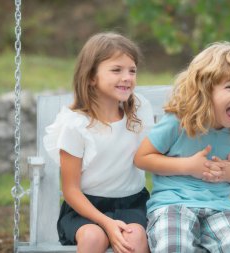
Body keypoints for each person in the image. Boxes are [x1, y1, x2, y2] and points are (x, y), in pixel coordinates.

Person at [134, 41, 230, 253]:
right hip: (173, 205)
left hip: (220, 208)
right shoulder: (178, 123)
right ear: (204, 91)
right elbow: (142, 158)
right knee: (174, 245)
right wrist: (188, 166)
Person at [43, 32, 153, 253]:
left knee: (135, 238)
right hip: (86, 208)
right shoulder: (75, 125)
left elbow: (152, 154)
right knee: (93, 237)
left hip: (132, 204)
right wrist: (106, 223)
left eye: (132, 70)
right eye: (116, 70)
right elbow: (71, 189)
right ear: (92, 76)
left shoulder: (139, 111)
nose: (127, 77)